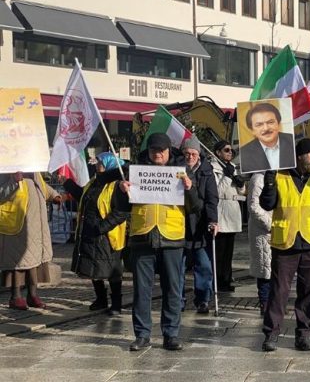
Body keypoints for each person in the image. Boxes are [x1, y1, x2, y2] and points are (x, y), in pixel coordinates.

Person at [121, 133, 202, 351]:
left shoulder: (181, 172)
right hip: (142, 236)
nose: (157, 154)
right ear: (148, 152)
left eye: (161, 151)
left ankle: (171, 334)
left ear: (169, 151)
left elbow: (195, 208)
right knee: (141, 290)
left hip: (172, 237)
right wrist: (123, 191)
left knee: (173, 289)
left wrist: (190, 189)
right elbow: (121, 206)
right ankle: (142, 334)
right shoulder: (135, 172)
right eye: (153, 151)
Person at [259, 138, 310, 352]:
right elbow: (266, 204)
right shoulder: (279, 176)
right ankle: (271, 334)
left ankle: (304, 334)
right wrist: (268, 183)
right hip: (285, 241)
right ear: (300, 156)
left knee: (309, 291)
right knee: (279, 291)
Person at [65, 152, 129, 316]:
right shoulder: (94, 182)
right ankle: (101, 299)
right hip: (90, 233)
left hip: (107, 236)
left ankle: (116, 303)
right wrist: (68, 184)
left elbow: (121, 212)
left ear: (108, 164)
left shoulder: (117, 185)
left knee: (112, 271)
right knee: (94, 269)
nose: (96, 165)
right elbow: (83, 197)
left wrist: (102, 227)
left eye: (99, 162)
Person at [0, 172, 62, 310]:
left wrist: (54, 195)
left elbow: (42, 187)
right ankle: (15, 297)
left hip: (35, 225)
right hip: (18, 225)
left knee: (34, 262)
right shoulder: (6, 169)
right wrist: (14, 182)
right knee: (18, 262)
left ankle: (32, 295)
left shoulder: (33, 169)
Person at [180, 137, 218, 314]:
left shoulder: (207, 172)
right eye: (187, 153)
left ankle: (203, 299)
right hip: (179, 223)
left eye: (193, 153)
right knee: (178, 267)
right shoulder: (176, 169)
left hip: (200, 225)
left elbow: (212, 199)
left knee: (204, 265)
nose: (190, 157)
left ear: (199, 154)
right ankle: (178, 299)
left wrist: (213, 220)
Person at [211, 141, 246, 292]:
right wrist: (227, 177)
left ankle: (226, 279)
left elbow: (242, 193)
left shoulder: (232, 168)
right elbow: (216, 192)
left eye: (231, 151)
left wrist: (240, 183)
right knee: (219, 250)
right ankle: (217, 281)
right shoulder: (214, 168)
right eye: (226, 150)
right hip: (221, 209)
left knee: (228, 251)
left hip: (232, 210)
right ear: (218, 152)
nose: (230, 153)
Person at [239, 102, 295, 171]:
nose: (266, 128)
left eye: (270, 122)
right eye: (259, 125)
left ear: (279, 124)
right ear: (252, 130)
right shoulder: (244, 153)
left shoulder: (293, 141)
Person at [247, 171, 272, 314]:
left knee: (273, 268)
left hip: (276, 229)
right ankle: (265, 303)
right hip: (263, 230)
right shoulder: (258, 178)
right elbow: (254, 207)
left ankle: (272, 303)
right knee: (264, 268)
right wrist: (270, 224)